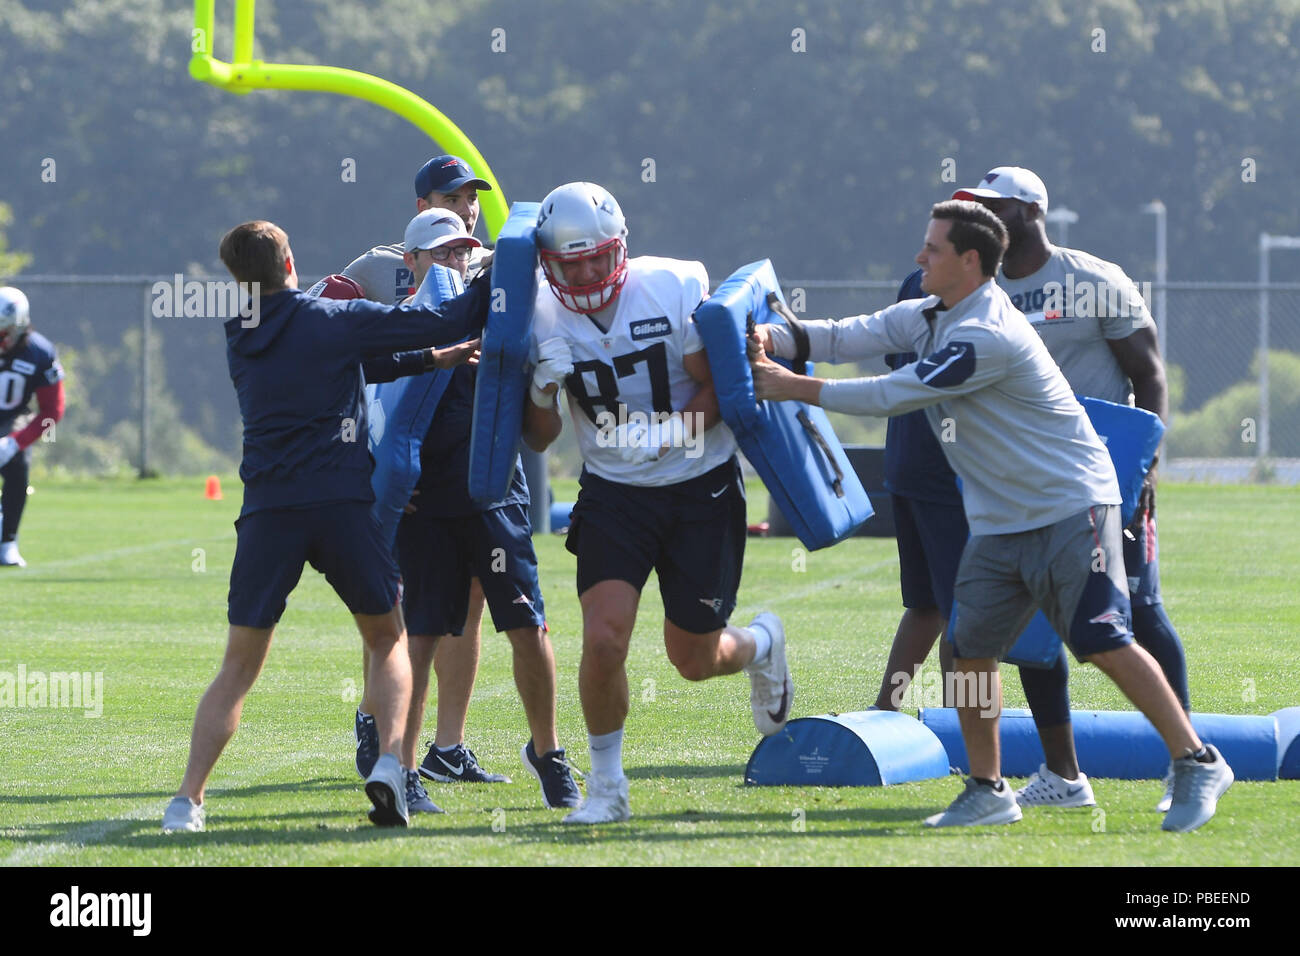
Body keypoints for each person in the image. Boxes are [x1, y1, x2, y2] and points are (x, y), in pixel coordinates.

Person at [748, 200, 1232, 832]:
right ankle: (989, 788)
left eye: (933, 248)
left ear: (969, 261)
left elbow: (898, 392)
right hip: (1002, 518)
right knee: (969, 650)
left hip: (1070, 505)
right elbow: (843, 334)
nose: (920, 256)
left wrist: (792, 385)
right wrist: (773, 337)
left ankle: (1197, 760)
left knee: (1102, 640)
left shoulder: (986, 335)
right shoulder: (929, 311)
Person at [161, 219, 489, 832]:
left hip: (269, 510)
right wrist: (494, 276)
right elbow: (441, 317)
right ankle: (393, 763)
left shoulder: (243, 331)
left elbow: (342, 366)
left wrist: (426, 359)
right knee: (387, 639)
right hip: (341, 505)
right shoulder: (331, 319)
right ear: (290, 263)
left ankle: (187, 800)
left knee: (237, 667)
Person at [522, 181, 792, 825]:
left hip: (700, 485)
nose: (586, 273)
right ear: (547, 263)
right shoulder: (536, 314)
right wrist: (540, 389)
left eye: (596, 257)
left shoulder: (671, 284)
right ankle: (608, 787)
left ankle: (760, 644)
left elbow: (720, 387)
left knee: (692, 659)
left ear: (620, 248)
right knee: (604, 637)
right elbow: (539, 436)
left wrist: (671, 431)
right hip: (615, 494)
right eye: (570, 263)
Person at [953, 166, 1190, 812]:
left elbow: (1149, 373)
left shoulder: (1091, 279)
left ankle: (1186, 761)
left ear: (1030, 212)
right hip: (1024, 481)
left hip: (1104, 475)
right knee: (1029, 626)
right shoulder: (982, 286)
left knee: (1137, 612)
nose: (980, 217)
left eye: (992, 207)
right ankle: (1063, 774)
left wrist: (1144, 468)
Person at [359, 208, 579, 812]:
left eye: (464, 252)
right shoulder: (395, 330)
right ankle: (403, 771)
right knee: (422, 636)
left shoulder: (504, 325)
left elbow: (538, 438)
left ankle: (549, 753)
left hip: (494, 498)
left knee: (527, 625)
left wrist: (543, 389)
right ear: (411, 262)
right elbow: (371, 422)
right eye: (441, 252)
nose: (456, 262)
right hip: (425, 507)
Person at [342, 155, 508, 786]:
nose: (467, 206)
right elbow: (338, 358)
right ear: (420, 205)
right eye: (452, 195)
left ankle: (448, 745)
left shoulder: (491, 267)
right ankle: (375, 717)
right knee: (400, 606)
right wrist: (371, 461)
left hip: (466, 457)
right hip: (399, 467)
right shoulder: (376, 269)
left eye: (472, 196)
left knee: (467, 597)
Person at [872, 268, 965, 711]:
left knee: (926, 603)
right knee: (961, 609)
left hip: (906, 457)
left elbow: (895, 365)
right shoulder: (982, 289)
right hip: (950, 471)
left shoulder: (917, 280)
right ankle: (961, 726)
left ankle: (885, 709)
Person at [0, 287, 65, 568]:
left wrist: (15, 442)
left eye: (3, 333)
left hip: (13, 417)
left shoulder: (40, 353)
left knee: (18, 463)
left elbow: (52, 411)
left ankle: (7, 541)